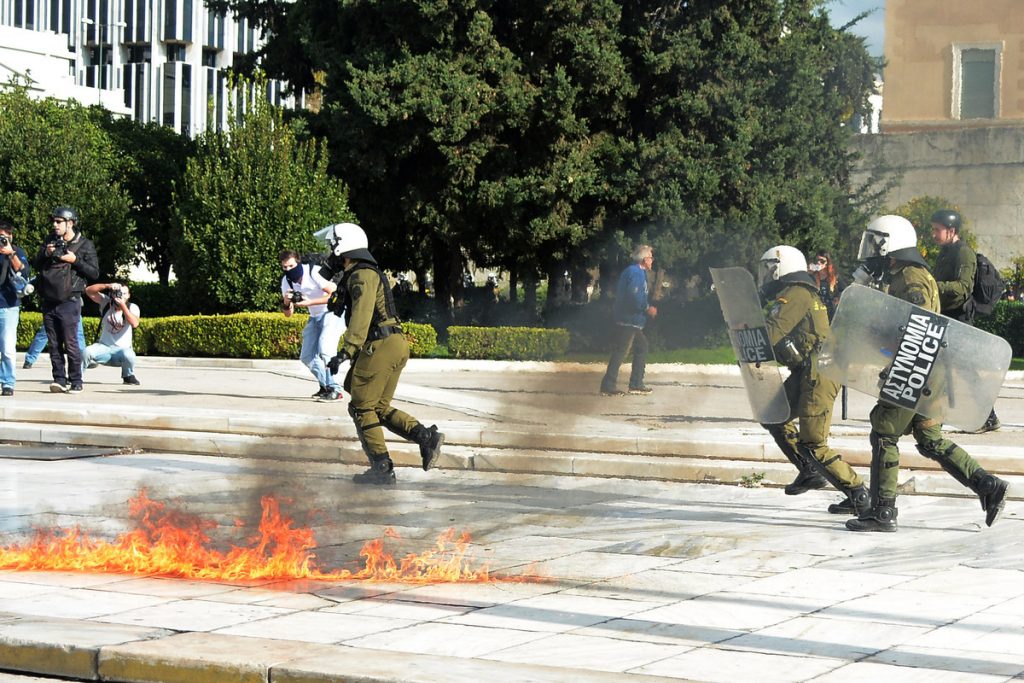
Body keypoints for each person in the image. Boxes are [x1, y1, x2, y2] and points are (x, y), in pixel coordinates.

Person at [846, 215, 1009, 532]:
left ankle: (882, 512)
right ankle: (987, 485)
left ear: (891, 245)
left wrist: (881, 342)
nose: (873, 252)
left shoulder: (910, 279)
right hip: (927, 371)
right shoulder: (908, 274)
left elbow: (915, 328)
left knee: (884, 430)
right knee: (929, 439)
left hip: (914, 369)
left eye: (877, 244)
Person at [315, 222, 444, 485]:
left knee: (361, 407)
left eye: (333, 247)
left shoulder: (362, 274)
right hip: (393, 343)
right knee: (377, 407)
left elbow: (362, 315)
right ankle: (425, 437)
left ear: (344, 246)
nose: (331, 254)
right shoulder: (363, 272)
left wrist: (346, 351)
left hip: (380, 344)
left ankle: (381, 467)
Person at [757, 245, 869, 516]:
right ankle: (809, 470)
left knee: (813, 443)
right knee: (773, 415)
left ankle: (859, 494)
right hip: (807, 371)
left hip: (820, 374)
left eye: (769, 269)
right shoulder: (799, 293)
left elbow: (771, 334)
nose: (767, 276)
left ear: (780, 268)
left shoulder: (796, 294)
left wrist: (746, 333)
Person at [930, 209, 1000, 433]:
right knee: (937, 367)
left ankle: (988, 417)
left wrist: (933, 286)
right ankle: (934, 415)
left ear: (951, 231)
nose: (933, 234)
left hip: (958, 318)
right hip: (944, 316)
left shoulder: (963, 253)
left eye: (937, 230)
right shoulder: (945, 252)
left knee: (966, 371)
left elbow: (963, 288)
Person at [33, 207, 98, 394]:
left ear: (70, 223)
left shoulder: (85, 244)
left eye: (59, 222)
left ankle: (76, 380)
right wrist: (46, 253)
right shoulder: (49, 241)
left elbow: (94, 272)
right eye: (53, 221)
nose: (55, 225)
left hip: (70, 300)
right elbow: (36, 265)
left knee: (71, 343)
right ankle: (59, 379)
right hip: (49, 299)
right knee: (53, 344)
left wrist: (75, 260)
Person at [279, 250, 345, 402]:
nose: (289, 270)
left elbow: (334, 294)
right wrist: (286, 302)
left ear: (298, 262)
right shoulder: (286, 281)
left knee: (325, 348)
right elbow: (288, 314)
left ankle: (335, 389)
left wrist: (309, 302)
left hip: (332, 313)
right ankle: (326, 386)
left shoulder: (313, 272)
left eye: (291, 266)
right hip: (314, 317)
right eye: (285, 267)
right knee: (307, 356)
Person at [600, 245, 657, 396]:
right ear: (645, 259)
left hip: (633, 320)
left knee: (640, 347)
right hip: (628, 320)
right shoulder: (635, 272)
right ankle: (610, 386)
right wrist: (647, 308)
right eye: (651, 257)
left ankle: (635, 384)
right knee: (622, 350)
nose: (652, 260)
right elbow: (634, 296)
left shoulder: (639, 272)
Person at [82, 283, 141, 385]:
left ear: (128, 295)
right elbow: (88, 291)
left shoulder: (132, 307)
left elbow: (134, 323)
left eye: (124, 294)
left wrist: (123, 307)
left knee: (130, 355)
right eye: (118, 293)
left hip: (121, 351)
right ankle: (77, 376)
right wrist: (107, 286)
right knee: (87, 351)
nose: (121, 296)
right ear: (112, 295)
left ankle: (128, 376)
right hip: (103, 347)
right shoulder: (106, 303)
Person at [0, 219, 30, 396]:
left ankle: (7, 382)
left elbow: (24, 272)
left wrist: (11, 254)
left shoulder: (17, 251)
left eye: (4, 237)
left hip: (9, 306)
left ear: (10, 236)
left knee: (8, 348)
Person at [809, 250, 843, 320]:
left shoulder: (834, 277)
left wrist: (837, 300)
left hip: (830, 311)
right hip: (815, 311)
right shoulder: (812, 276)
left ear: (827, 263)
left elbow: (844, 290)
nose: (819, 263)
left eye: (822, 261)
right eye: (817, 260)